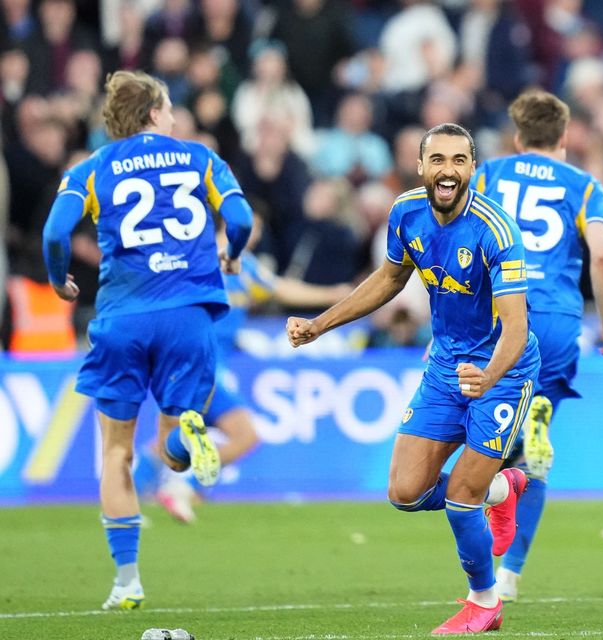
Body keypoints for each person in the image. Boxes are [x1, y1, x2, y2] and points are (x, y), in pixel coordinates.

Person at [286, 123, 537, 635]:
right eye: (437, 159)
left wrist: (489, 376)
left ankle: (484, 602)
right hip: (446, 365)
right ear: (421, 166)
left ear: (472, 168)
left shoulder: (496, 230)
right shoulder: (405, 213)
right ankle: (502, 492)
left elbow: (517, 325)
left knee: (460, 496)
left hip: (501, 372)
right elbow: (389, 278)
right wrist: (320, 323)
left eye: (459, 160)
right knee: (404, 491)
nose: (448, 169)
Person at [41, 70, 253, 610]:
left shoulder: (89, 169)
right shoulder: (201, 157)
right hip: (188, 314)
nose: (177, 116)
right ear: (156, 112)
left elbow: (53, 234)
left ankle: (127, 581)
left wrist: (58, 277)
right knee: (169, 449)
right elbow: (241, 217)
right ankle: (187, 439)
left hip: (123, 316)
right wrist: (231, 251)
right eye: (171, 108)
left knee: (117, 451)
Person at [471, 90, 603, 601]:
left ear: (517, 137)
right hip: (558, 321)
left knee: (485, 445)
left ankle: (486, 571)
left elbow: (465, 243)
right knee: (533, 458)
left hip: (500, 315)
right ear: (563, 137)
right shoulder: (584, 186)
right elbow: (602, 257)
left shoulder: (489, 175)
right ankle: (512, 574)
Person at [155, 213, 350, 523]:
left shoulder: (231, 263)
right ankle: (183, 487)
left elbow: (280, 289)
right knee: (245, 435)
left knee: (169, 439)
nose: (255, 234)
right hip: (198, 365)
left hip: (187, 366)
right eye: (251, 227)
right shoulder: (213, 262)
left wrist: (331, 296)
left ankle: (135, 498)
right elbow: (280, 289)